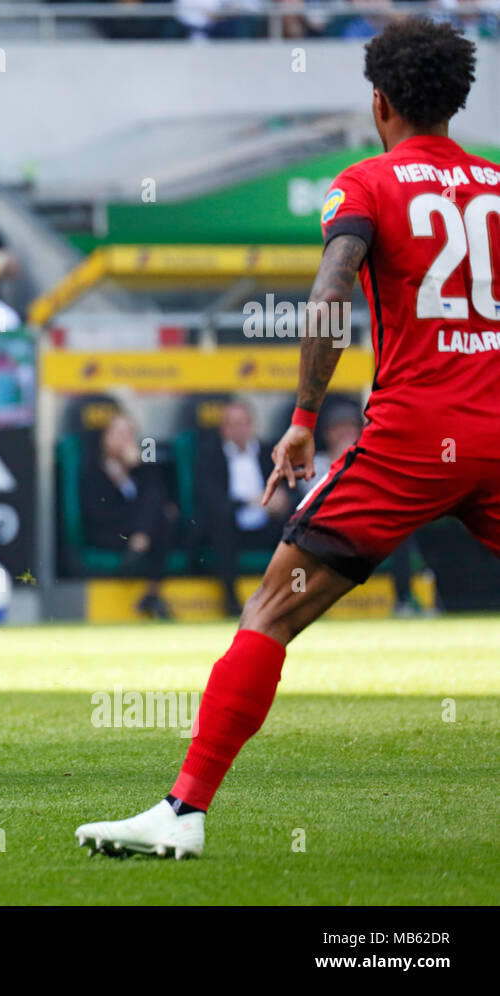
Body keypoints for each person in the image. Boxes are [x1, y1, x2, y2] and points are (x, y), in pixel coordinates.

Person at [76, 19, 500, 859]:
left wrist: (304, 419)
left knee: (271, 608)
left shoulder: (368, 184)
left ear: (378, 100)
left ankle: (184, 810)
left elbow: (331, 290)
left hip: (414, 438)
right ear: (459, 100)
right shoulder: (496, 185)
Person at [196, 399, 294, 616]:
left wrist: (281, 500)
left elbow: (289, 489)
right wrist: (249, 502)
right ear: (223, 429)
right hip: (232, 526)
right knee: (219, 525)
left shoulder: (271, 455)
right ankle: (231, 600)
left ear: (252, 426)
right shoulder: (210, 458)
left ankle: (292, 597)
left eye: (242, 423)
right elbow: (211, 500)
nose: (237, 430)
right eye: (231, 424)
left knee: (295, 527)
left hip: (267, 524)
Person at [79, 411, 176, 620]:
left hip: (140, 535)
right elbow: (97, 512)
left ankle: (151, 592)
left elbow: (157, 496)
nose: (124, 441)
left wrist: (140, 466)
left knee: (162, 516)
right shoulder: (93, 469)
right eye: (118, 434)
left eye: (129, 435)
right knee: (160, 518)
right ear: (105, 438)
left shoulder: (141, 469)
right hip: (108, 530)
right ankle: (152, 593)